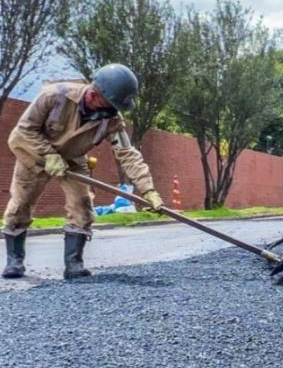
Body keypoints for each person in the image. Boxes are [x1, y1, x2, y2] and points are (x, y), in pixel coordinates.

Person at [3, 64, 164, 280]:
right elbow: (21, 133)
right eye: (112, 104)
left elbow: (128, 154)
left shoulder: (112, 119)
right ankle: (14, 261)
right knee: (21, 203)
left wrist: (149, 191)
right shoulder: (53, 96)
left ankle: (74, 264)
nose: (114, 110)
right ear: (95, 95)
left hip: (74, 159)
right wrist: (47, 155)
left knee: (82, 203)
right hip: (35, 154)